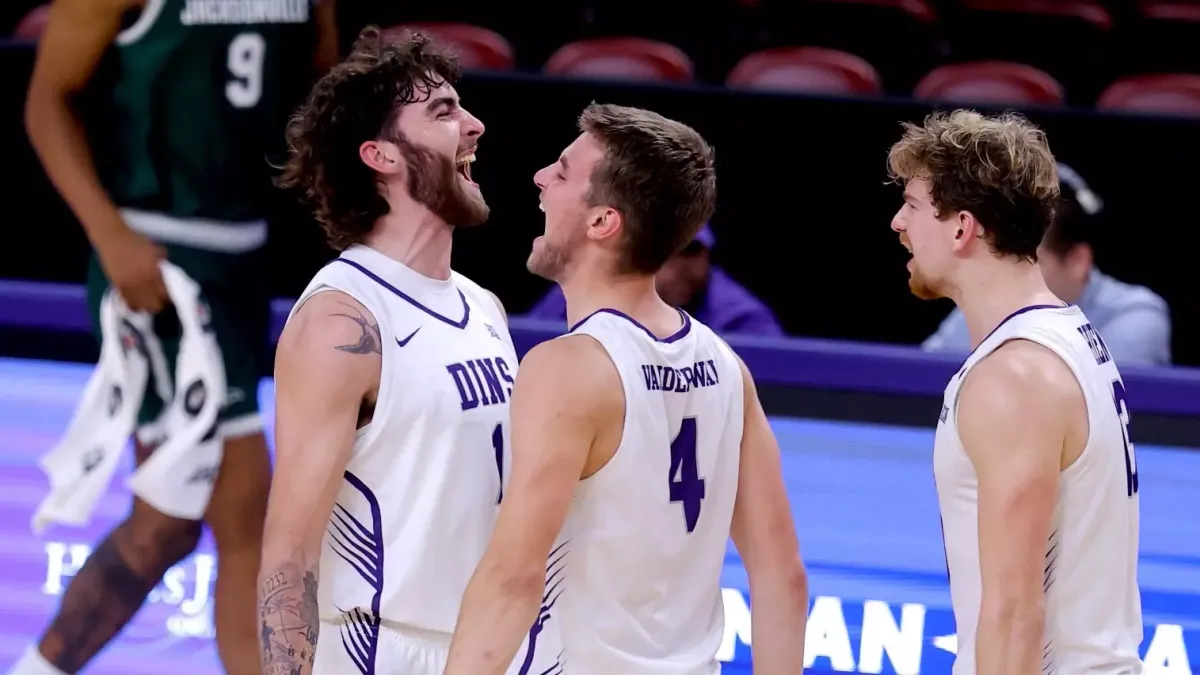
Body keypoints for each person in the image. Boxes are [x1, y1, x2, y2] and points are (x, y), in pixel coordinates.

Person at [17, 0, 337, 672]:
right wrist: (109, 235)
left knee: (166, 527)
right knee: (246, 510)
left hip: (244, 256)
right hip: (158, 257)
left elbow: (323, 86)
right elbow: (47, 101)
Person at [445, 103, 809, 675]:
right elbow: (782, 577)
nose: (540, 178)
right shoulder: (726, 366)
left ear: (602, 222)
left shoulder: (570, 368)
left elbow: (513, 579)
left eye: (562, 171)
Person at [258, 28, 560, 675]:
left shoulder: (484, 307)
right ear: (381, 156)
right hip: (379, 649)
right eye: (443, 112)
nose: (474, 125)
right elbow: (289, 555)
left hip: (483, 648)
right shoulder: (342, 319)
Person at [888, 110, 1143, 674]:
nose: (897, 223)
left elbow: (1014, 613)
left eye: (911, 205)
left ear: (962, 227)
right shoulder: (1069, 336)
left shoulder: (1014, 376)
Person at [922, 162, 1172, 366]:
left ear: (1078, 262)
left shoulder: (1136, 316)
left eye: (1025, 259)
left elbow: (1089, 404)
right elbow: (925, 380)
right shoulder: (988, 299)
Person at [526, 222, 785, 337]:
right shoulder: (583, 291)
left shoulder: (740, 317)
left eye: (693, 252)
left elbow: (778, 396)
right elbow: (527, 348)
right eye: (670, 253)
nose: (683, 268)